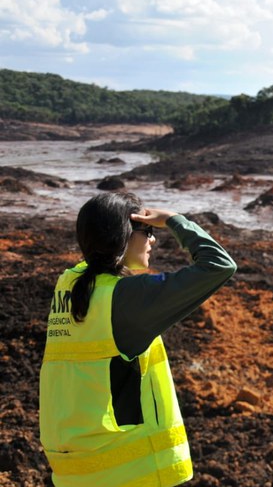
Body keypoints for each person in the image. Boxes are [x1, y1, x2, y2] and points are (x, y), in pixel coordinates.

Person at [39, 192, 237, 487]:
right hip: (127, 471)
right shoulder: (126, 298)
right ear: (123, 236)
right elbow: (220, 264)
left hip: (74, 467)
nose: (153, 240)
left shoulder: (68, 284)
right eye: (147, 232)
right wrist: (172, 220)